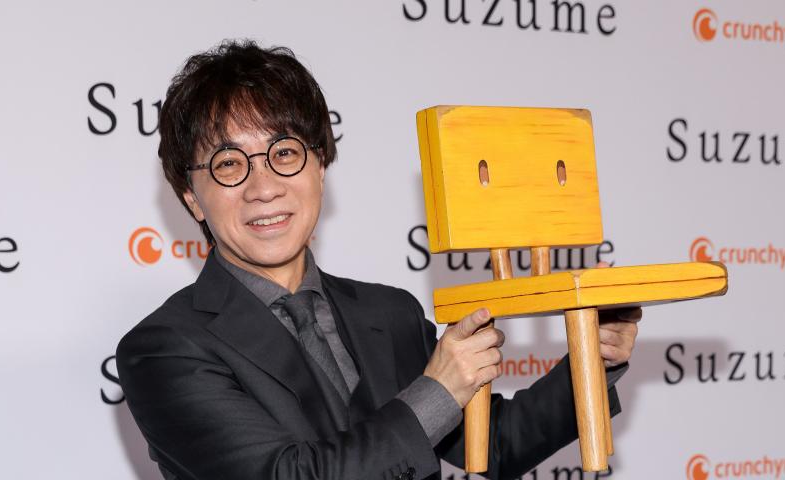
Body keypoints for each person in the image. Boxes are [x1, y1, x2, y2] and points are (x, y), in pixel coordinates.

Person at [116, 40, 641, 480]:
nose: (263, 188)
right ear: (191, 196)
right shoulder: (163, 349)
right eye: (229, 163)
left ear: (320, 165)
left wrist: (592, 362)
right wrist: (437, 392)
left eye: (285, 153)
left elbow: (493, 445)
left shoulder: (388, 314)